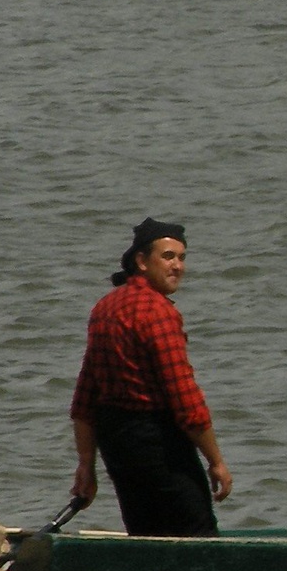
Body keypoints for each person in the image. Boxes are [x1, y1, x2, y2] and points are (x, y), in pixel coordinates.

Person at [69, 217, 232, 537]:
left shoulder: (105, 307)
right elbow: (185, 398)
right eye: (168, 256)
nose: (178, 266)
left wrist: (86, 464)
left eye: (182, 258)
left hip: (118, 445)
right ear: (141, 261)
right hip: (156, 443)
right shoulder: (157, 312)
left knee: (145, 534)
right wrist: (216, 461)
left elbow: (86, 396)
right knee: (196, 533)